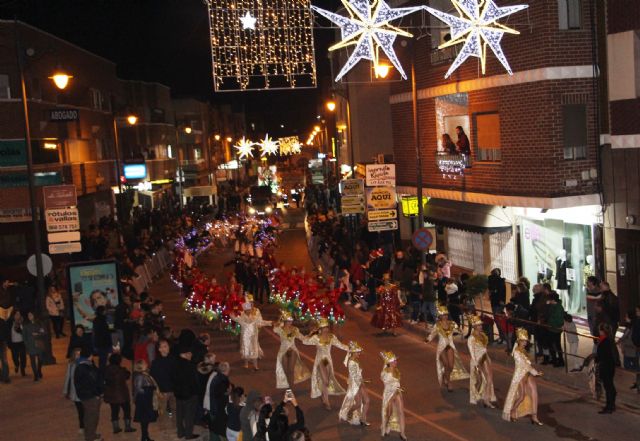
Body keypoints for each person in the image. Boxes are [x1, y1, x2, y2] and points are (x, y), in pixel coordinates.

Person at [303, 317, 349, 410]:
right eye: (324, 328)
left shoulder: (332, 337)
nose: (326, 329)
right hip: (320, 360)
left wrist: (351, 348)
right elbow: (305, 342)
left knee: (327, 382)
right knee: (326, 381)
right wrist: (311, 333)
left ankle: (325, 397)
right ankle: (326, 400)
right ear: (320, 329)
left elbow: (341, 345)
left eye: (327, 327)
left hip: (328, 361)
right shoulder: (316, 338)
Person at [502, 328, 543, 425]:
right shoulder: (516, 352)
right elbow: (525, 365)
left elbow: (528, 365)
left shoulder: (523, 350)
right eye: (523, 341)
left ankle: (534, 416)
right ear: (518, 340)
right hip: (520, 376)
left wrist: (533, 372)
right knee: (521, 396)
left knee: (534, 393)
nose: (525, 343)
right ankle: (513, 410)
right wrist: (535, 373)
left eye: (526, 341)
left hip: (528, 374)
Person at [426, 305, 469, 392]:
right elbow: (432, 334)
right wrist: (427, 339)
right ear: (440, 316)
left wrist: (463, 334)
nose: (445, 316)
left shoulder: (452, 324)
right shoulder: (437, 325)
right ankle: (448, 382)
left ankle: (446, 376)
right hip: (442, 347)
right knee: (446, 365)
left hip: (450, 346)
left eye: (446, 314)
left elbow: (459, 331)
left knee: (451, 366)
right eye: (443, 315)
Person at [230, 294, 272, 370]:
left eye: (252, 302)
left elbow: (260, 322)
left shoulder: (256, 311)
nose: (251, 304)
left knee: (254, 348)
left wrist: (270, 323)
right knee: (246, 348)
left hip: (254, 335)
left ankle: (255, 365)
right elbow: (234, 317)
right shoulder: (242, 314)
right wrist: (233, 310)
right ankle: (246, 363)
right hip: (245, 335)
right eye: (249, 303)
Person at [273, 311, 311, 390]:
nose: (290, 322)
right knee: (285, 371)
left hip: (293, 350)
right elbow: (274, 328)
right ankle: (287, 387)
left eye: (291, 321)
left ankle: (290, 389)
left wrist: (311, 335)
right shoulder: (280, 329)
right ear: (285, 321)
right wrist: (280, 319)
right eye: (288, 321)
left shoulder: (295, 329)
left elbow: (302, 338)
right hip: (283, 351)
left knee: (291, 370)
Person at [74, 347, 103, 441]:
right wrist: (97, 393)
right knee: (92, 417)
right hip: (90, 396)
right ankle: (90, 437)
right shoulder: (85, 367)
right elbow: (93, 381)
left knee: (89, 416)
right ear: (89, 356)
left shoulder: (84, 365)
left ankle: (91, 434)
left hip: (87, 394)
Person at [468, 315, 497, 407]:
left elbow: (484, 348)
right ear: (474, 327)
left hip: (485, 358)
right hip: (477, 360)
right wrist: (476, 364)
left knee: (489, 378)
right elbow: (472, 352)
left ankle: (486, 399)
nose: (480, 326)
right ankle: (477, 395)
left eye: (481, 325)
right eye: (478, 325)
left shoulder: (483, 335)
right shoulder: (471, 338)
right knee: (480, 380)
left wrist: (488, 358)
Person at [339, 341, 370, 426]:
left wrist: (362, 382)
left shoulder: (355, 359)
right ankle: (348, 413)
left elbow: (358, 374)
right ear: (353, 353)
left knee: (367, 400)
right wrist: (362, 382)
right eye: (357, 352)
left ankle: (363, 419)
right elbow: (354, 376)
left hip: (360, 382)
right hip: (355, 385)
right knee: (358, 404)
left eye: (358, 351)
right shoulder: (351, 362)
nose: (359, 353)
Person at [104, 353, 136, 434]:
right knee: (126, 410)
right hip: (122, 394)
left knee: (114, 411)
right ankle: (127, 426)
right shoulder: (121, 370)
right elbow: (127, 375)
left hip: (111, 394)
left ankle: (116, 427)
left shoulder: (106, 370)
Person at [172, 347, 200, 440]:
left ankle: (180, 432)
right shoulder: (190, 365)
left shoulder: (175, 363)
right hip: (189, 395)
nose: (191, 355)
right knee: (189, 415)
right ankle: (188, 434)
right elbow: (195, 382)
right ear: (186, 353)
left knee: (179, 414)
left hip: (178, 393)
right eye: (190, 353)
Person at [380, 351, 406, 441]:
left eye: (395, 360)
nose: (396, 362)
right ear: (389, 363)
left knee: (401, 412)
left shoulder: (396, 370)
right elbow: (389, 386)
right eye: (394, 361)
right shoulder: (385, 374)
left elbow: (397, 384)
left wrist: (398, 391)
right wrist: (392, 396)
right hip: (389, 394)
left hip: (397, 393)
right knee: (389, 414)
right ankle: (386, 426)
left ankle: (402, 433)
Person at [133, 359, 159, 441]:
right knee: (144, 419)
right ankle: (144, 437)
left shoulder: (145, 374)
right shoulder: (140, 376)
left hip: (146, 399)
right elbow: (139, 389)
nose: (146, 363)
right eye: (144, 363)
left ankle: (145, 437)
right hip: (143, 400)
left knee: (145, 420)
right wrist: (150, 389)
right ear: (141, 366)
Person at [150, 338, 176, 416]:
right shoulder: (156, 362)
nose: (167, 348)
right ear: (159, 349)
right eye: (164, 346)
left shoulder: (173, 359)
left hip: (173, 389)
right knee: (162, 413)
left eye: (167, 346)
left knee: (174, 410)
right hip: (162, 391)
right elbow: (153, 378)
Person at [596, 323, 617, 414]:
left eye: (600, 330)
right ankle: (611, 404)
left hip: (606, 366)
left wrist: (597, 360)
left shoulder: (605, 342)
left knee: (608, 387)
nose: (599, 332)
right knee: (610, 386)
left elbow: (601, 355)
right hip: (610, 366)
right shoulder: (609, 339)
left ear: (603, 331)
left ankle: (609, 407)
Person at [63, 347, 84, 434]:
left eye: (80, 354)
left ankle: (86, 425)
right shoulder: (71, 364)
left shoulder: (84, 363)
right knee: (80, 410)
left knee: (86, 409)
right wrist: (65, 390)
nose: (78, 356)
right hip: (75, 391)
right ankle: (82, 426)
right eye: (77, 354)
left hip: (84, 391)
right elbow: (68, 377)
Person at [209, 361, 231, 441]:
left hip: (214, 407)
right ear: (226, 370)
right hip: (218, 409)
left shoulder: (217, 377)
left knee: (214, 429)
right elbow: (221, 395)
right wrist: (228, 393)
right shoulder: (223, 381)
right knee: (219, 429)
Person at [23, 311, 45, 381]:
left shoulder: (39, 323)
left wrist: (38, 334)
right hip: (31, 344)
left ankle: (39, 370)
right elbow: (24, 337)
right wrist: (27, 344)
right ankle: (35, 374)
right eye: (28, 315)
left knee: (40, 359)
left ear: (34, 315)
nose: (30, 316)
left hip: (39, 343)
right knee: (32, 361)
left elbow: (44, 332)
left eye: (31, 315)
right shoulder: (26, 325)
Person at [92, 305, 112, 381]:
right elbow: (105, 333)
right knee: (103, 361)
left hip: (99, 343)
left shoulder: (96, 320)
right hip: (104, 343)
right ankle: (101, 376)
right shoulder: (103, 320)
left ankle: (101, 375)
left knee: (102, 360)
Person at [488, 268, 506, 344]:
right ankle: (502, 337)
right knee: (498, 320)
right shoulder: (499, 281)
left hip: (497, 304)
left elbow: (501, 292)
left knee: (498, 321)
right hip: (496, 303)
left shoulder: (498, 281)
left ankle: (503, 337)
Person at [7, 310, 26, 376]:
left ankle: (23, 369)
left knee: (23, 357)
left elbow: (25, 332)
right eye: (16, 314)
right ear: (13, 315)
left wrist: (20, 329)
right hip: (13, 343)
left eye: (19, 314)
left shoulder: (22, 322)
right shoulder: (10, 323)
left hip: (22, 342)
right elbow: (7, 333)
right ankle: (17, 365)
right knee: (15, 357)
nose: (18, 316)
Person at [0, 316, 9, 383]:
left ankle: (5, 377)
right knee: (4, 360)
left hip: (2, 343)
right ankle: (3, 376)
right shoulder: (2, 321)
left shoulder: (2, 321)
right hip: (3, 342)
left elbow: (6, 332)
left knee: (4, 361)